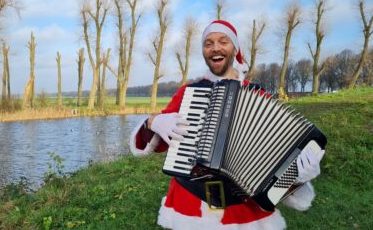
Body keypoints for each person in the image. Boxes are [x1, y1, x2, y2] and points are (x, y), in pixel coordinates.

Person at [129, 20, 325, 229]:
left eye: (223, 41)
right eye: (208, 43)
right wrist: (152, 122)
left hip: (244, 209)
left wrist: (298, 176)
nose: (215, 48)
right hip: (191, 204)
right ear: (204, 51)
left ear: (235, 49)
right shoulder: (188, 93)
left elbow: (278, 156)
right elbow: (157, 144)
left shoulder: (257, 96)